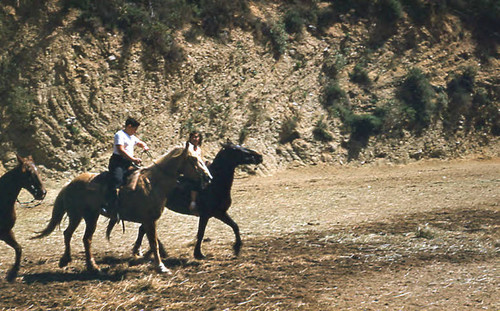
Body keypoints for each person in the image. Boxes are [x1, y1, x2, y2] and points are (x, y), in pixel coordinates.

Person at [103, 117, 149, 220]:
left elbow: (139, 142)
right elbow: (121, 150)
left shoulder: (131, 136)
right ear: (129, 126)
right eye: (134, 129)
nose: (135, 131)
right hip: (118, 162)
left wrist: (144, 146)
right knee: (117, 181)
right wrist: (133, 158)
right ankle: (110, 207)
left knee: (139, 177)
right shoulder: (119, 135)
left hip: (128, 163)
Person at [187, 131, 212, 215]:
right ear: (190, 138)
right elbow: (193, 159)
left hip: (197, 168)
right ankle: (193, 203)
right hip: (188, 169)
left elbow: (200, 160)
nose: (195, 139)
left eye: (197, 137)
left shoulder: (198, 149)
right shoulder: (188, 147)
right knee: (197, 180)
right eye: (193, 137)